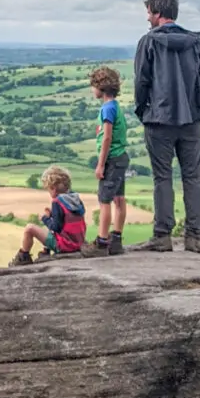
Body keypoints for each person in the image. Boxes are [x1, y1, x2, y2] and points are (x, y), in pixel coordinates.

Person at [134, 0, 200, 253]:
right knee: (193, 178)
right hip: (191, 120)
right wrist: (197, 108)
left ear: (157, 13)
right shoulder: (196, 43)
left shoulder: (148, 42)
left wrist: (143, 110)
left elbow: (142, 82)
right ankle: (193, 237)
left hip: (158, 120)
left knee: (162, 178)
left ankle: (163, 236)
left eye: (148, 12)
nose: (147, 17)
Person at [81, 66, 130, 258]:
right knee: (119, 199)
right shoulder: (115, 105)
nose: (92, 90)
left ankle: (101, 243)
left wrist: (101, 164)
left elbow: (107, 137)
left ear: (100, 87)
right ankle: (116, 240)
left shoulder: (107, 108)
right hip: (121, 158)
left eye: (93, 85)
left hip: (111, 160)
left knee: (104, 201)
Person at [9, 165, 86, 266]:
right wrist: (52, 215)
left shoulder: (57, 202)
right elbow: (66, 220)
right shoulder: (75, 198)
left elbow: (56, 227)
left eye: (48, 189)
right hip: (78, 242)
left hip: (65, 245)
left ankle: (23, 258)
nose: (48, 192)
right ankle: (46, 252)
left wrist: (45, 218)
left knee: (29, 228)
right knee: (51, 221)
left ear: (53, 188)